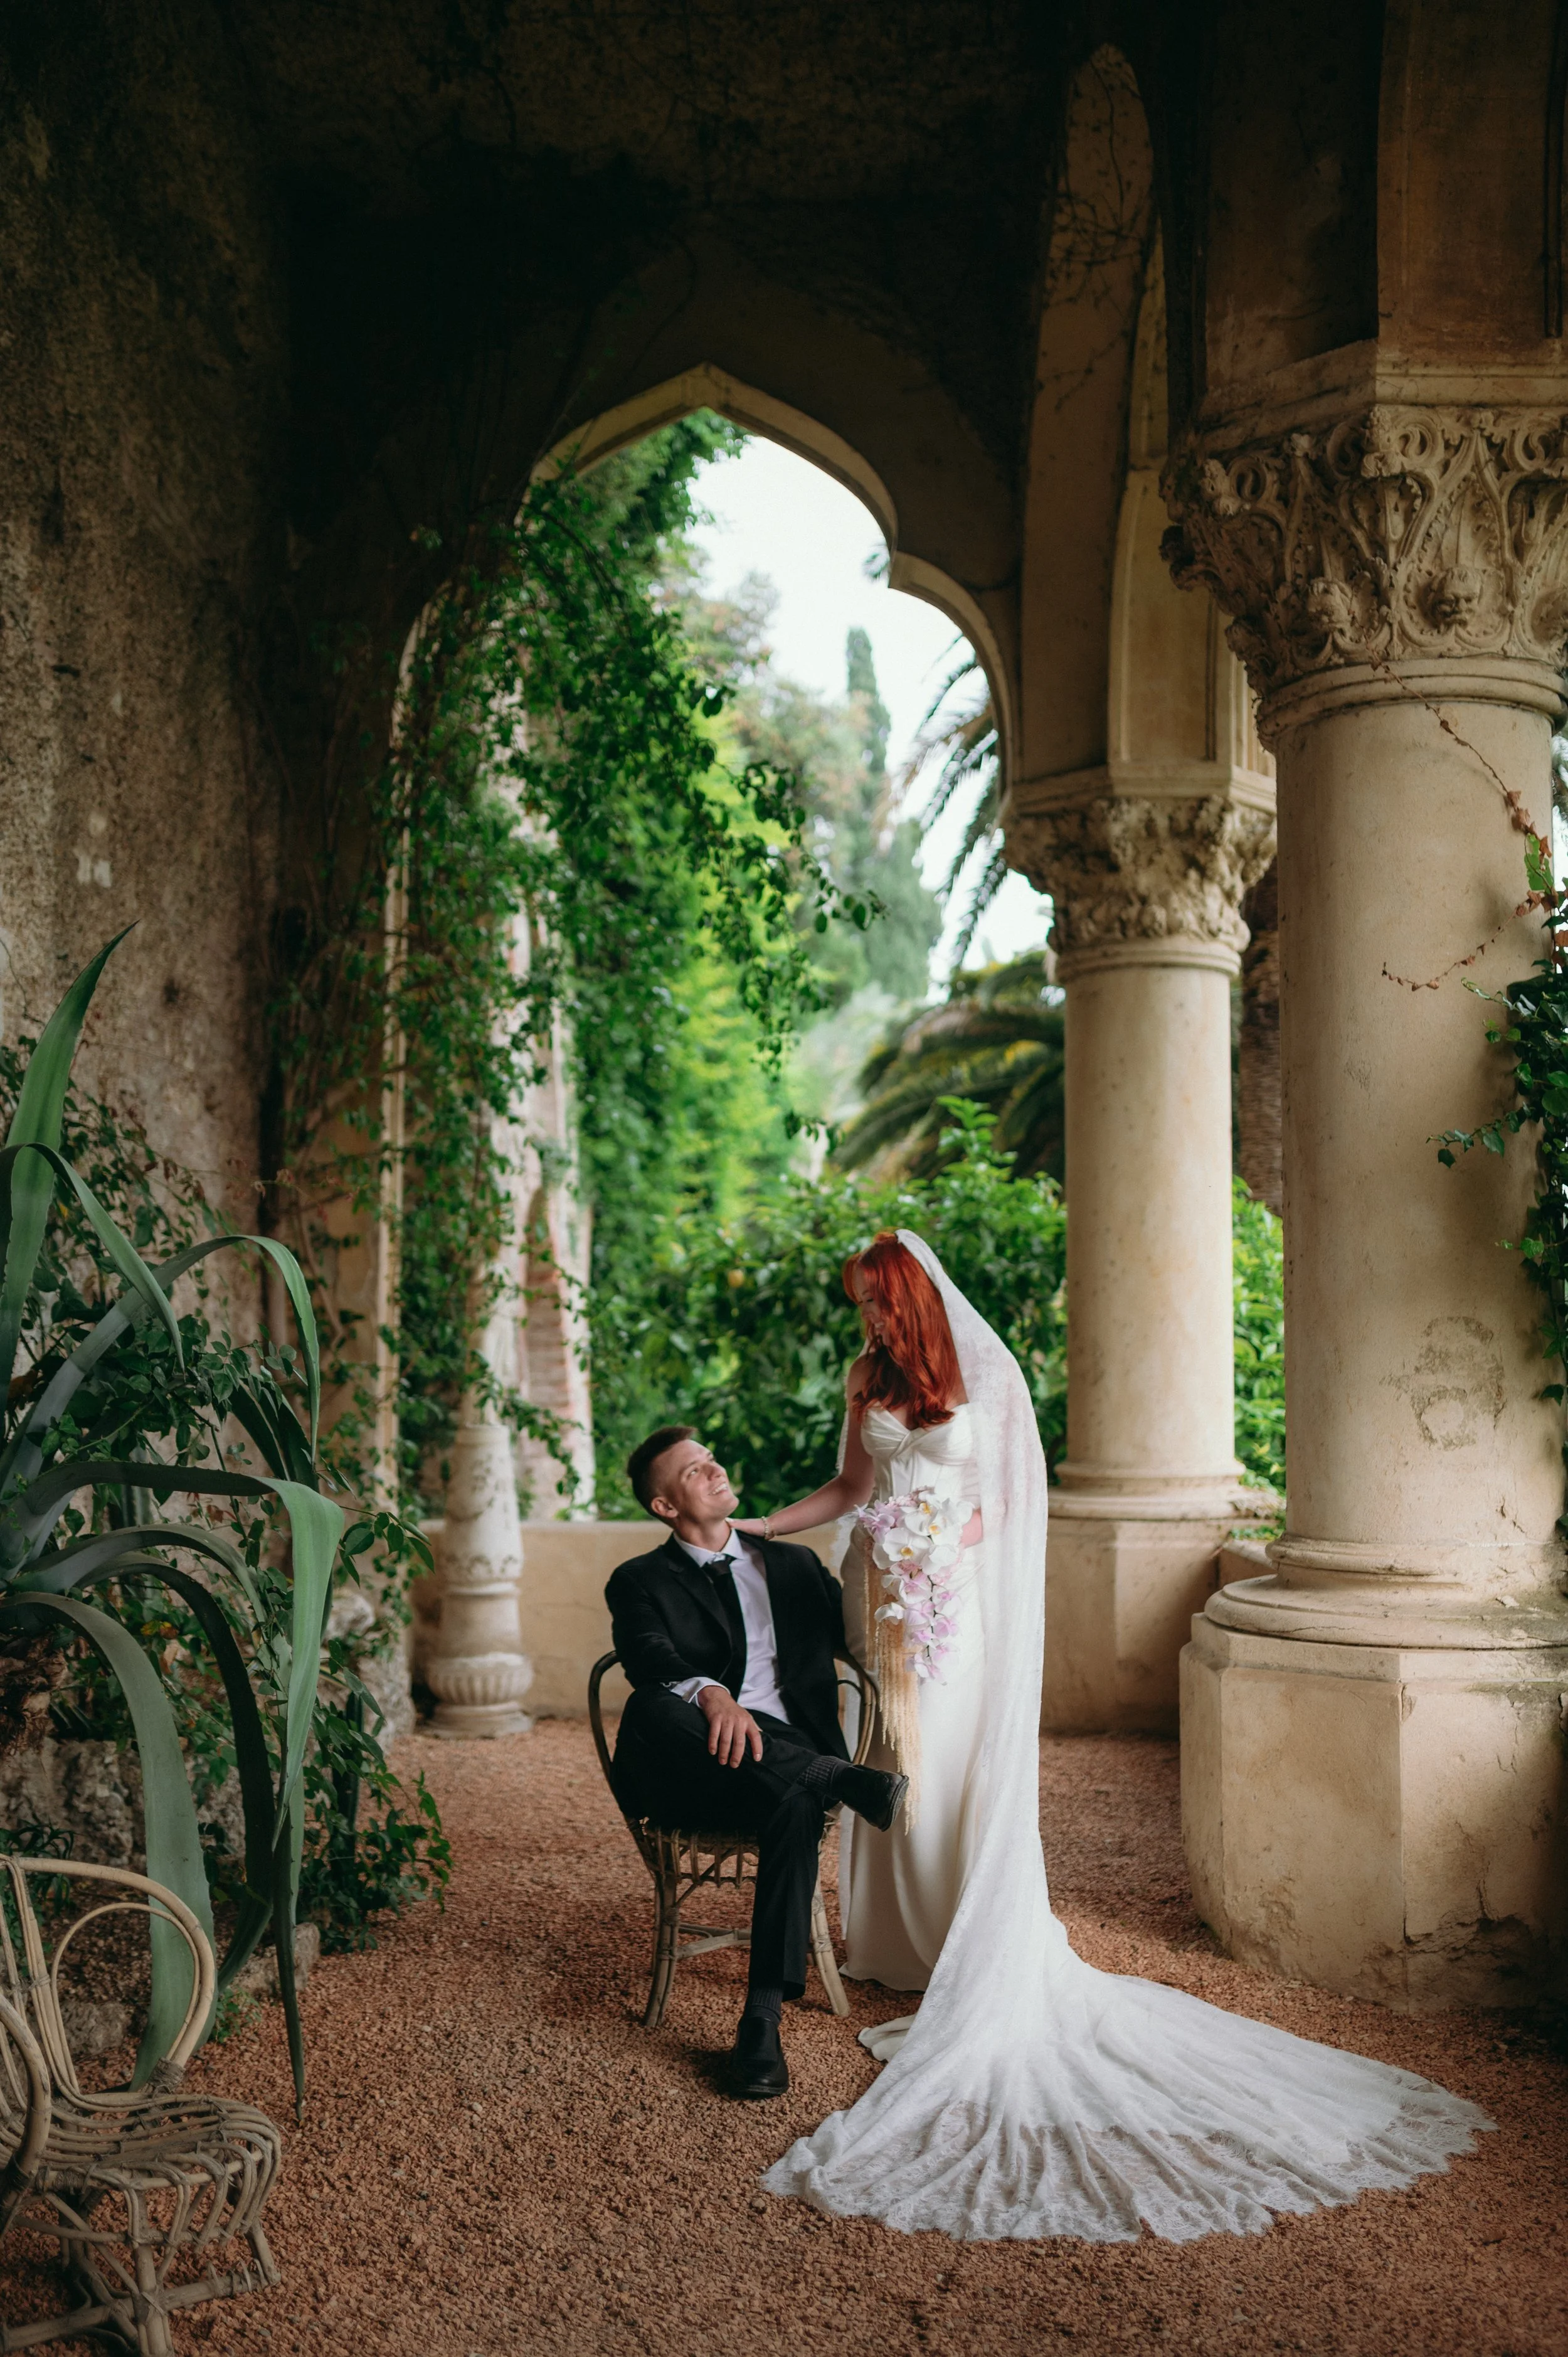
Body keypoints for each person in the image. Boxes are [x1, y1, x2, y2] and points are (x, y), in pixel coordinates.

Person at [730, 1230, 1492, 2243]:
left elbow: (1007, 1502)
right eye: (859, 1302)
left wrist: (943, 1545)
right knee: (887, 1755)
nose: (866, 1317)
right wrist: (761, 1529)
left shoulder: (980, 1377)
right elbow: (853, 1493)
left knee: (947, 1763)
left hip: (949, 1597)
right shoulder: (862, 1375)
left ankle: (962, 1945)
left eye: (877, 1299)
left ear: (911, 1296)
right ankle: (894, 1939)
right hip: (876, 1591)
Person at [605, 1425, 908, 2100]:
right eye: (692, 1471)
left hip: (782, 1762)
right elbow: (647, 1653)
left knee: (794, 1797)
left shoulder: (796, 1567)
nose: (713, 1470)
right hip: (700, 1769)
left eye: (711, 1458)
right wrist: (712, 1694)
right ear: (664, 1507)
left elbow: (865, 1635)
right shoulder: (638, 1580)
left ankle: (760, 2021)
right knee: (655, 1706)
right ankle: (837, 1779)